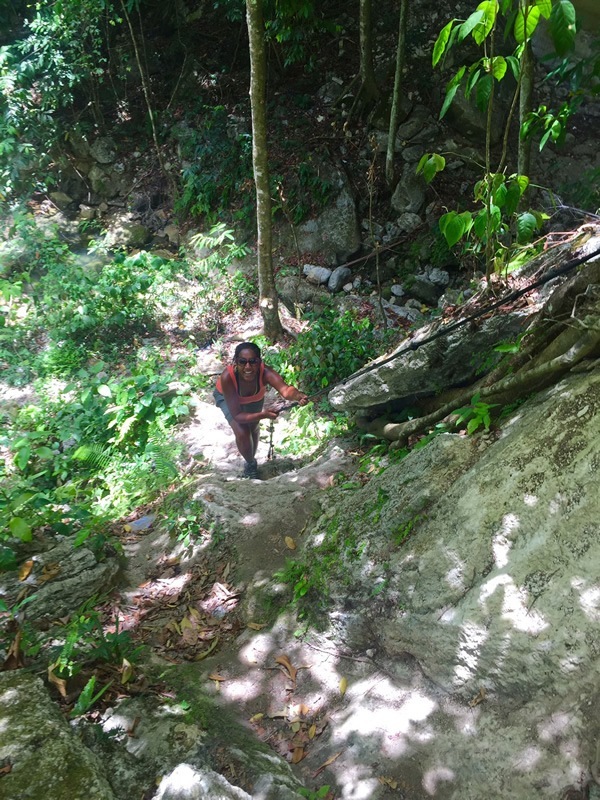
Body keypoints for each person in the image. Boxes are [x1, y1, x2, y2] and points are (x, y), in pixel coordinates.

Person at [213, 342, 308, 478]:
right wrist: (263, 414)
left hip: (254, 398)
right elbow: (238, 416)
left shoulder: (266, 373)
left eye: (253, 362)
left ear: (259, 362)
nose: (248, 367)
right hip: (226, 397)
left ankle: (251, 457)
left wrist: (298, 395)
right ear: (235, 362)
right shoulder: (227, 377)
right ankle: (250, 463)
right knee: (242, 431)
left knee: (253, 426)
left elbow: (285, 390)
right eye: (242, 362)